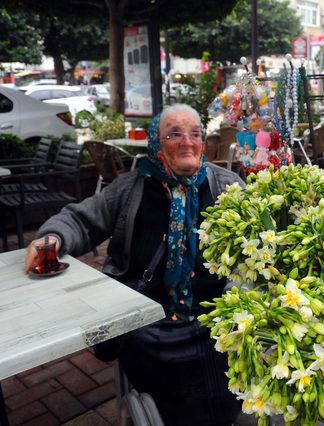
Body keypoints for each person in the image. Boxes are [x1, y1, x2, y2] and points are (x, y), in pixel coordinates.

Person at [23, 104, 244, 425]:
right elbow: (81, 220)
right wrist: (53, 238)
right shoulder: (132, 187)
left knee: (219, 374)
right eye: (174, 134)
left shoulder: (228, 187)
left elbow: (258, 245)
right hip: (146, 317)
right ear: (156, 144)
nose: (187, 142)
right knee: (164, 385)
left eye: (195, 133)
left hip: (214, 316)